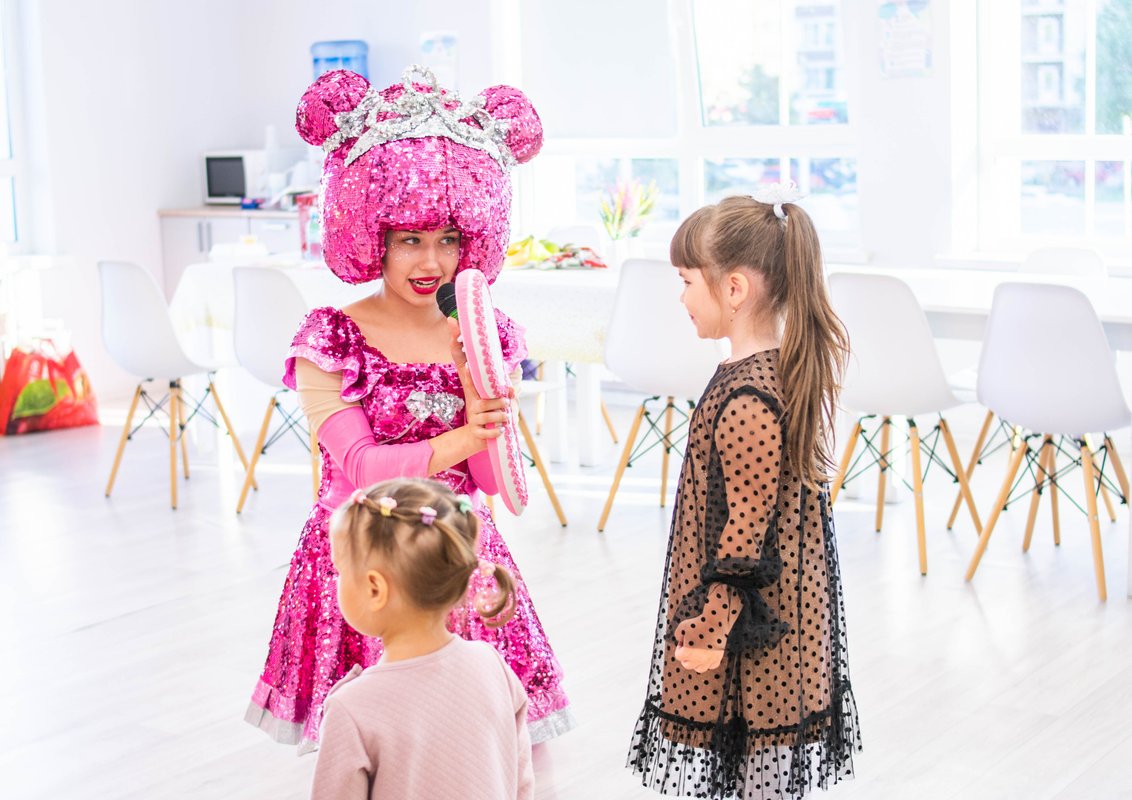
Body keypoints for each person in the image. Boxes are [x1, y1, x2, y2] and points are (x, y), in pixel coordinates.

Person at [245, 66, 574, 752]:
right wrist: (466, 433)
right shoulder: (331, 338)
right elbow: (363, 470)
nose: (432, 262)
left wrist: (476, 381)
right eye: (411, 241)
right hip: (367, 556)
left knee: (473, 750)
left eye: (449, 239)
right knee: (378, 750)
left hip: (457, 554)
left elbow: (491, 482)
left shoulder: (481, 332)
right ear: (374, 237)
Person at [626, 190, 861, 799]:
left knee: (763, 773)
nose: (681, 298)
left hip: (758, 631)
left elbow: (745, 535)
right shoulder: (757, 373)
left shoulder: (749, 399)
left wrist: (710, 626)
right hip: (767, 619)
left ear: (733, 289)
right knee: (759, 771)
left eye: (686, 282)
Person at [311, 479, 533, 799]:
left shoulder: (352, 708)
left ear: (375, 589)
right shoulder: (492, 665)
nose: (336, 581)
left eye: (340, 571)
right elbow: (521, 783)